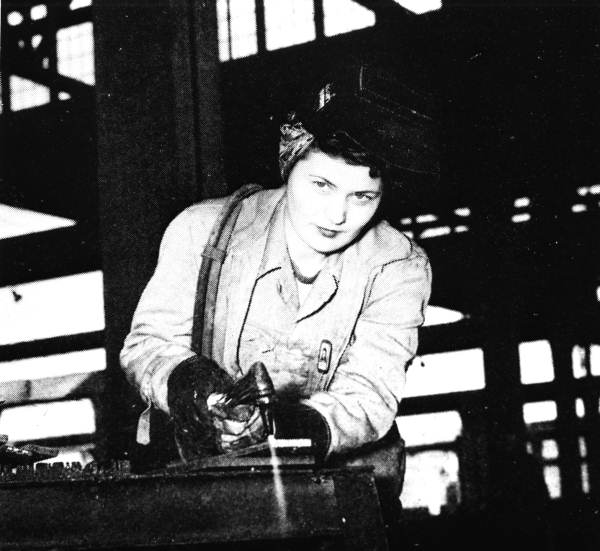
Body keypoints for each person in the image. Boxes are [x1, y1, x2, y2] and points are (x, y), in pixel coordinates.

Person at [120, 63, 436, 522]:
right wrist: (189, 384)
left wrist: (287, 427)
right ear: (288, 165)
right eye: (321, 185)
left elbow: (370, 390)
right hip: (201, 486)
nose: (337, 214)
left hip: (326, 491)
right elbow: (148, 345)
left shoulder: (398, 266)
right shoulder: (203, 231)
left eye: (362, 197)